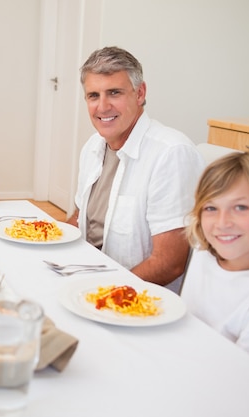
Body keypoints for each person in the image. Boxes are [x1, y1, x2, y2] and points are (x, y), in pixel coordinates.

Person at [66, 46, 205, 289]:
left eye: (114, 93)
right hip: (88, 274)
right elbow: (79, 217)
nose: (103, 106)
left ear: (139, 93)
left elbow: (169, 263)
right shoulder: (93, 146)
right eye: (93, 96)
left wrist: (102, 291)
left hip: (135, 299)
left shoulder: (171, 154)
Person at [182, 152, 249, 364]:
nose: (222, 223)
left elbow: (245, 378)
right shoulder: (205, 250)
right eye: (211, 208)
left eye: (240, 207)